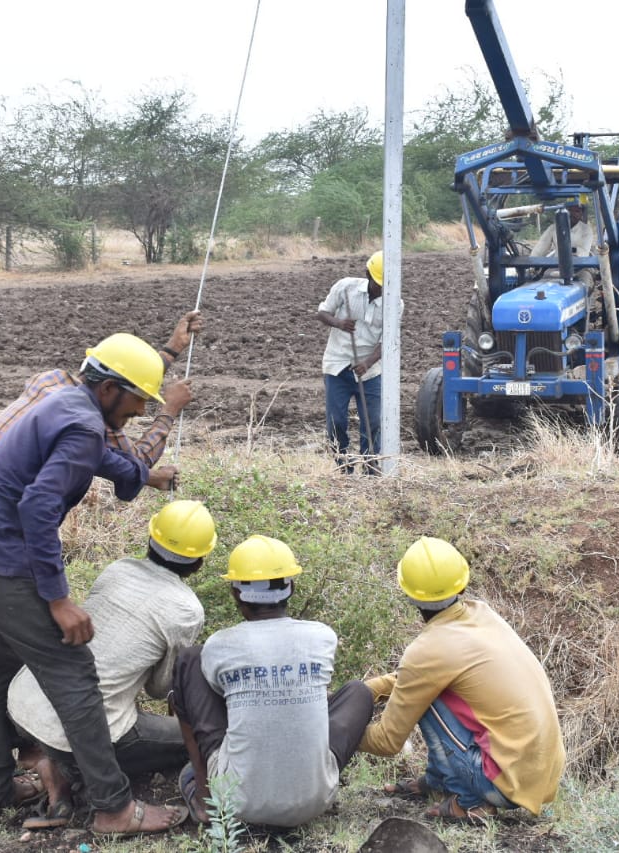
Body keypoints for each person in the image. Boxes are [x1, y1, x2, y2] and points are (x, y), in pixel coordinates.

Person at [0, 331, 187, 836]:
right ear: (110, 388)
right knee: (74, 673)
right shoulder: (85, 424)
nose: (138, 412)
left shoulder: (67, 401)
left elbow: (97, 459)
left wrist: (142, 476)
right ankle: (114, 808)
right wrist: (59, 599)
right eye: (138, 400)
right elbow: (38, 509)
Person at [7, 499, 217, 831]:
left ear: (150, 540)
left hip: (25, 703)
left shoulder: (118, 568)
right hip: (84, 726)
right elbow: (160, 688)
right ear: (199, 563)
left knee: (90, 714)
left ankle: (55, 769)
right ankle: (70, 769)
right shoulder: (186, 609)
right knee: (193, 740)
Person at [170, 535, 372, 828]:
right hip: (315, 802)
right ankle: (306, 780)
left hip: (237, 801)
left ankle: (204, 798)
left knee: (190, 660)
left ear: (236, 594)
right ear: (292, 588)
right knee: (359, 692)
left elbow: (215, 697)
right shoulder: (322, 636)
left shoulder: (219, 645)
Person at [360, 537, 566, 825]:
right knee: (427, 688)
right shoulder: (482, 615)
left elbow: (387, 741)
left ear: (408, 594)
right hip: (538, 773)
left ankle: (468, 801)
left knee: (425, 696)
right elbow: (413, 677)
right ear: (462, 583)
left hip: (503, 786)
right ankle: (438, 782)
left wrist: (335, 730)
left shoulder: (427, 650)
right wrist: (364, 691)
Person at [315, 251, 403, 473]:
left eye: (386, 285)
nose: (382, 289)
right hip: (338, 365)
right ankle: (344, 466)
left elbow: (388, 341)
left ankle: (371, 468)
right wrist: (338, 323)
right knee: (336, 422)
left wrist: (368, 362)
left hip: (370, 372)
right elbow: (322, 312)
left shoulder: (395, 304)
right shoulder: (345, 288)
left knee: (373, 422)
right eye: (378, 284)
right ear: (368, 274)